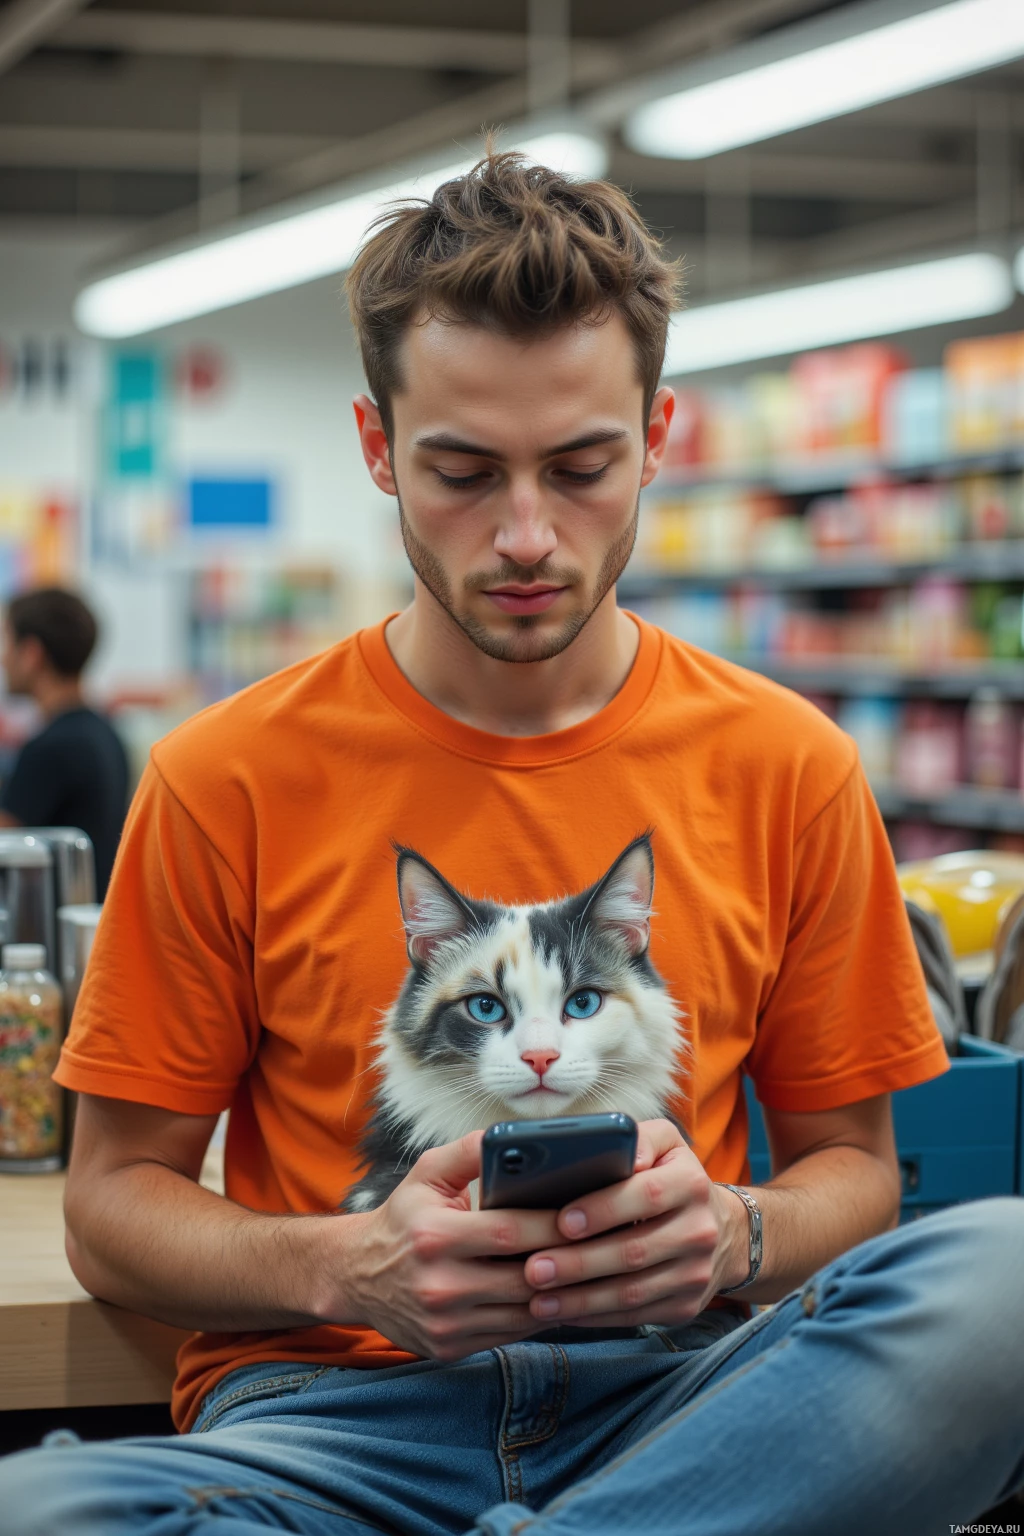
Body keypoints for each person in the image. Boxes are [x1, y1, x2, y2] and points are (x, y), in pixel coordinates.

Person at [1, 151, 1021, 1535]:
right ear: (378, 448)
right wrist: (350, 1266)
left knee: (1007, 1276)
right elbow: (112, 1208)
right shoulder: (219, 776)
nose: (527, 535)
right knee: (42, 1509)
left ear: (656, 437)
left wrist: (735, 1231)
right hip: (335, 1424)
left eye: (583, 467)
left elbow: (858, 1172)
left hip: (679, 1397)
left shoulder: (789, 765)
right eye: (463, 472)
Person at [0, 587, 128, 898]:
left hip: (53, 918)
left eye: (7, 643)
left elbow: (6, 839)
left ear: (32, 653)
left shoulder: (52, 747)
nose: (3, 659)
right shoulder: (106, 733)